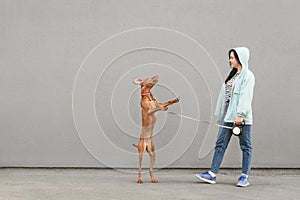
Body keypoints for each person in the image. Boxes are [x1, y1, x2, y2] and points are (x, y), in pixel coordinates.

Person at [195, 47, 255, 187]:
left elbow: (246, 97)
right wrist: (225, 113)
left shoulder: (248, 76)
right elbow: (227, 98)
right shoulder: (232, 75)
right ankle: (212, 174)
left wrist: (240, 115)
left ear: (240, 58)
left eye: (232, 57)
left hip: (241, 117)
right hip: (228, 114)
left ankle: (244, 176)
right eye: (230, 57)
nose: (230, 60)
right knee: (220, 144)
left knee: (246, 146)